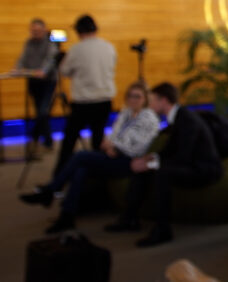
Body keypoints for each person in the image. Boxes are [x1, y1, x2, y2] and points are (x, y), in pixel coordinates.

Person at [19, 82, 160, 234]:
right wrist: (110, 146)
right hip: (113, 155)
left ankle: (50, 191)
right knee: (81, 169)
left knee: (80, 156)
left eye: (137, 96)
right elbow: (113, 136)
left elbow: (139, 147)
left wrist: (116, 148)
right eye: (131, 96)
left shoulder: (148, 118)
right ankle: (66, 217)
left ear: (145, 99)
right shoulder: (126, 113)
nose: (133, 99)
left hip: (130, 161)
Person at [105, 82, 222, 247]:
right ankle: (129, 218)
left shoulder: (187, 120)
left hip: (204, 169)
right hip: (191, 163)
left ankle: (162, 230)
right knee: (143, 169)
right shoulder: (177, 117)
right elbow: (171, 149)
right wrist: (149, 159)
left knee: (162, 174)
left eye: (153, 100)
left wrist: (153, 164)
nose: (150, 104)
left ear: (164, 100)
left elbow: (183, 156)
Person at [55, 14, 117, 176]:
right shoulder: (109, 47)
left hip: (83, 103)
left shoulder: (76, 49)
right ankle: (99, 176)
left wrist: (61, 60)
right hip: (104, 100)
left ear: (79, 31)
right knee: (98, 139)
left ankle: (59, 177)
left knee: (69, 140)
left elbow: (65, 71)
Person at [14, 18, 58, 153]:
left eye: (38, 30)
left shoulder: (50, 43)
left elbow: (51, 60)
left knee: (42, 112)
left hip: (48, 82)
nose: (35, 33)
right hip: (33, 82)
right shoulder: (28, 43)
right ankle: (39, 138)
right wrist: (17, 69)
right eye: (33, 31)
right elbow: (22, 59)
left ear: (44, 30)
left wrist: (43, 71)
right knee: (40, 112)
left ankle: (42, 139)